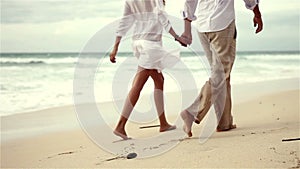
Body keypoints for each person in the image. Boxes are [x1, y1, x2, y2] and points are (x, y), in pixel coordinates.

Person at [180, 0, 264, 137]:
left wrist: (187, 29)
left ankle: (224, 122)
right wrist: (257, 13)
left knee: (219, 75)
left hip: (202, 25)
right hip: (222, 24)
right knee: (220, 74)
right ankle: (192, 112)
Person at [110, 0, 186, 139]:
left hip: (138, 43)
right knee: (138, 84)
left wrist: (116, 47)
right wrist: (177, 37)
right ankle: (120, 126)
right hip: (150, 45)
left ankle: (163, 123)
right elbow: (163, 19)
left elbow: (123, 24)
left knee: (159, 80)